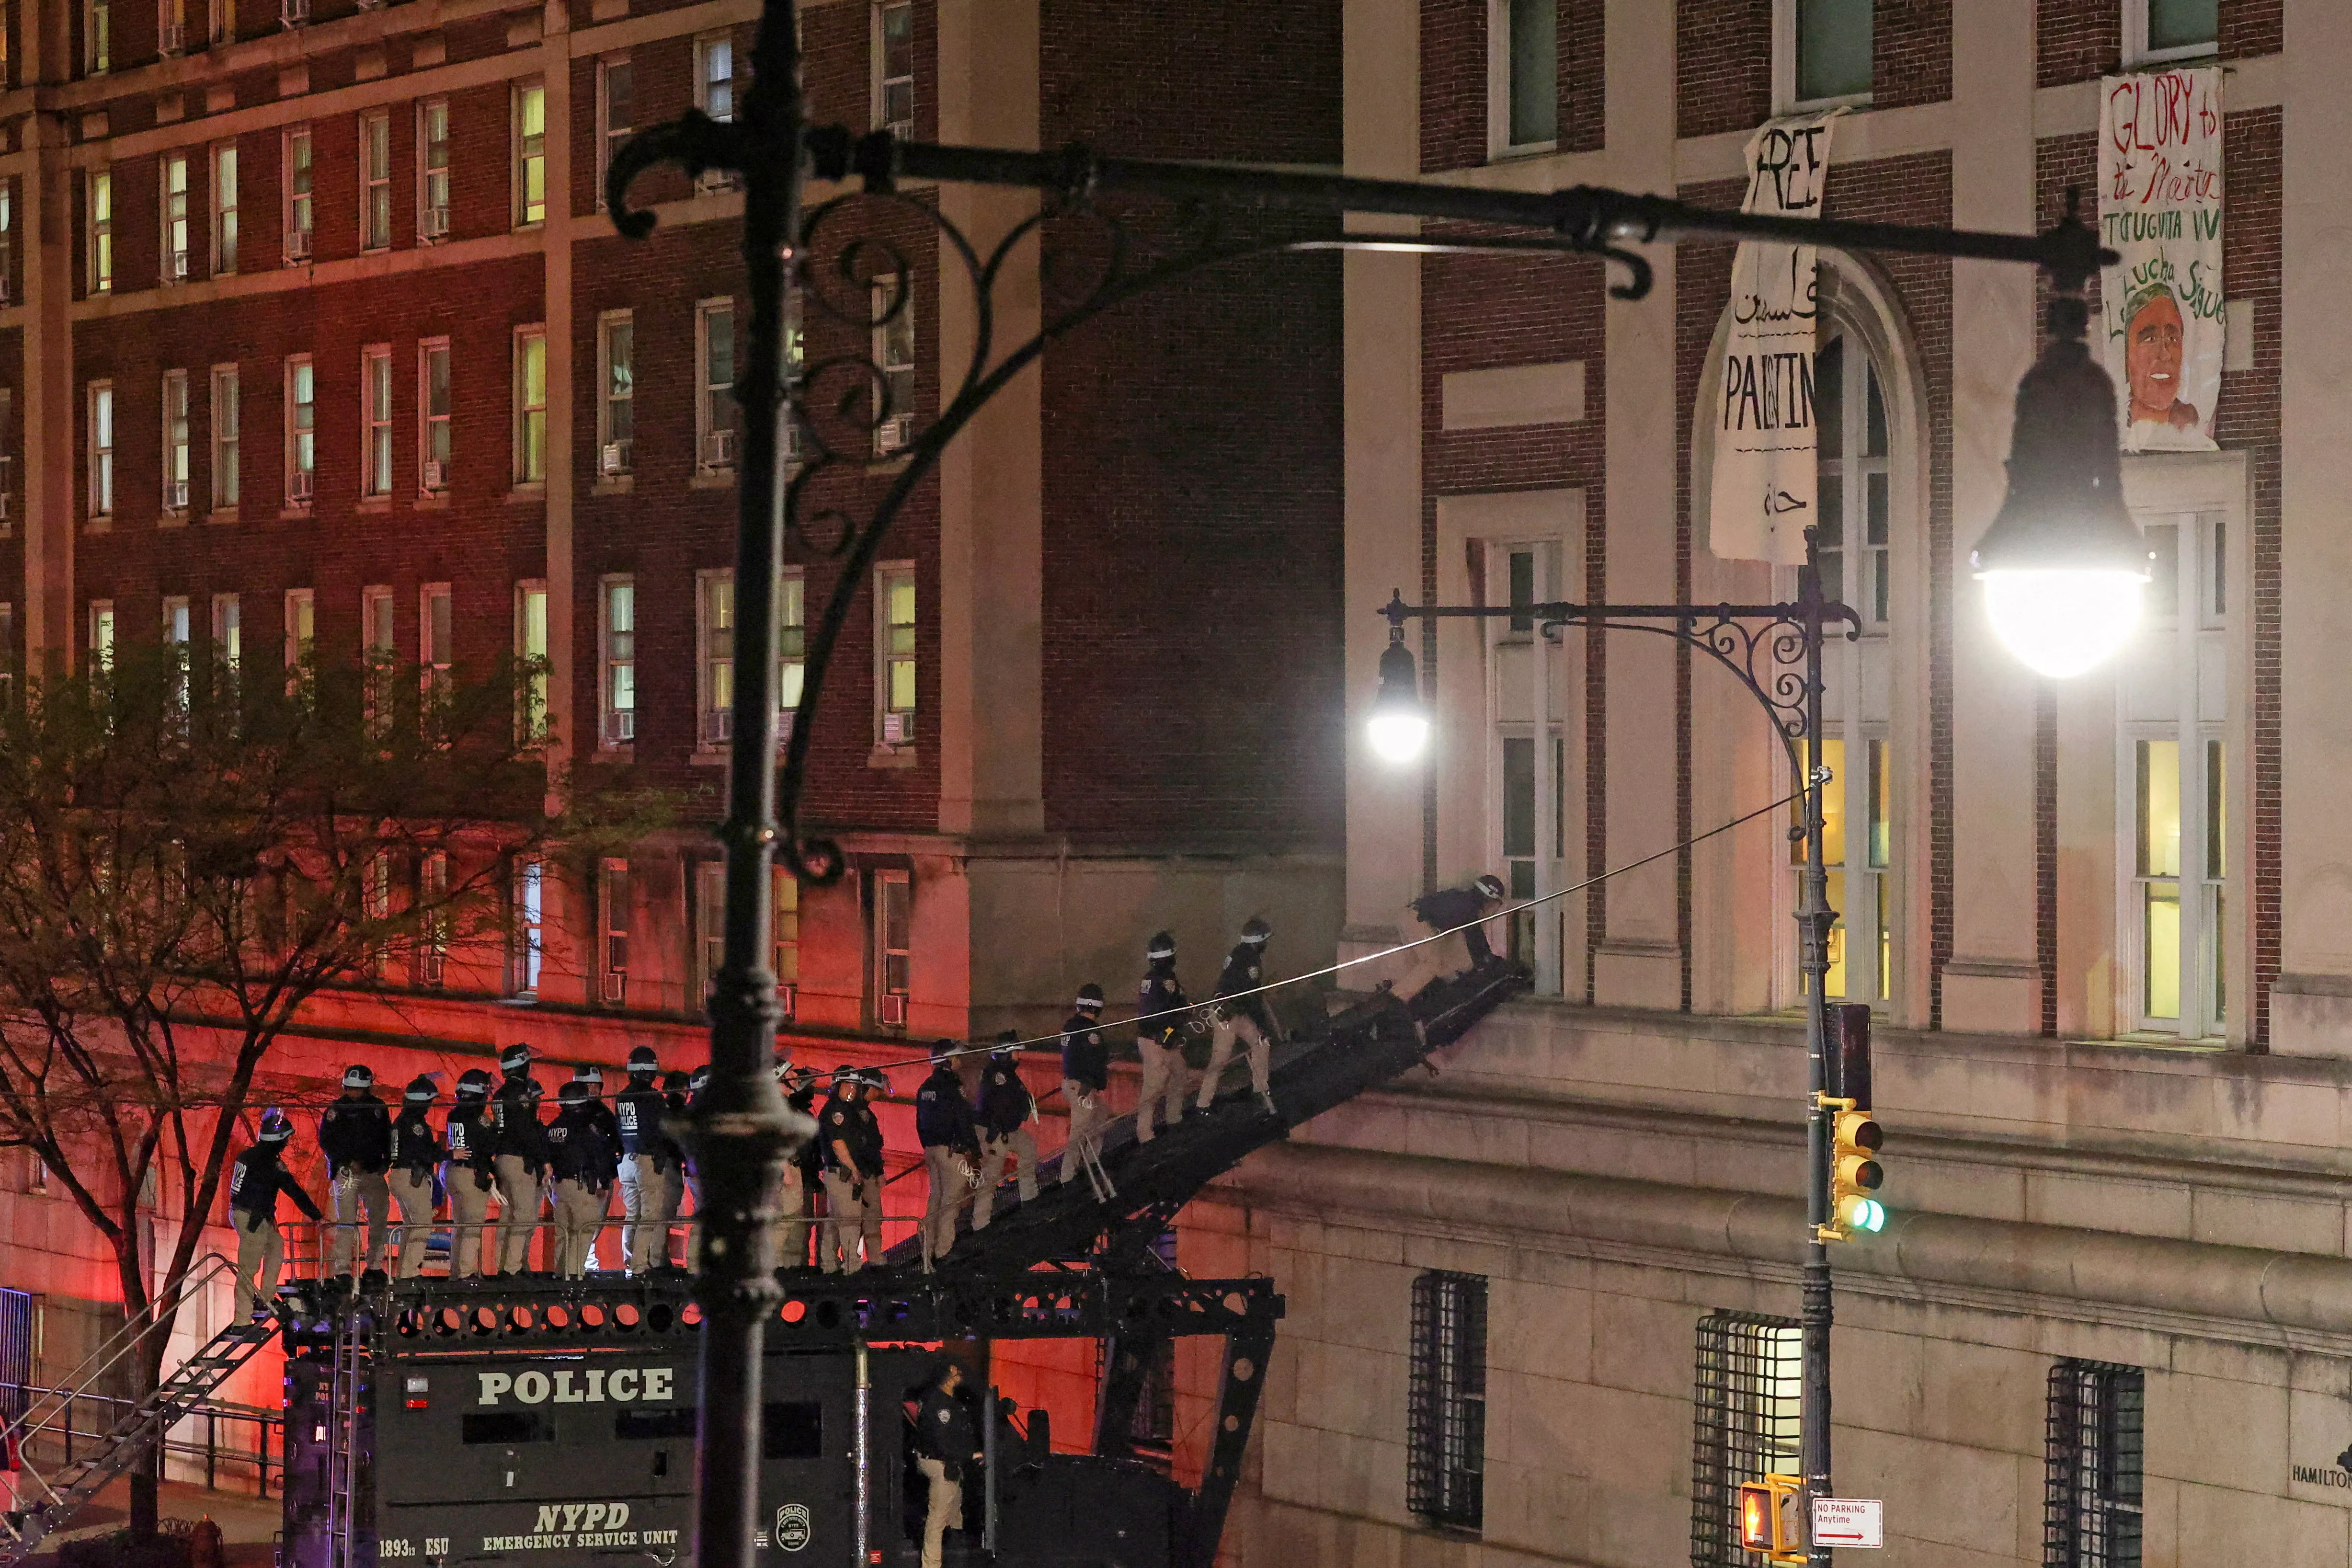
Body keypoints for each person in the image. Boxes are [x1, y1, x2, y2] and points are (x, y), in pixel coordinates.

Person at [228, 1110, 321, 1318]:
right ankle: (242, 1319)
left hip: (249, 1215)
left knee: (276, 1247)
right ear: (278, 1140)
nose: (287, 1143)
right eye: (286, 1139)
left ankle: (266, 1298)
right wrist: (318, 1217)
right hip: (253, 1218)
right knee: (248, 1269)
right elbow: (294, 1191)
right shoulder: (272, 1164)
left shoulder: (247, 1156)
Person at [317, 1064, 393, 1281]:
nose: (353, 1092)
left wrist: (385, 1163)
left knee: (379, 1219)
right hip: (346, 1173)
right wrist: (347, 1162)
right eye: (349, 1088)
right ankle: (342, 1270)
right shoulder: (337, 1109)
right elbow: (326, 1141)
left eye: (357, 1089)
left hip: (372, 1172)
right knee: (346, 1222)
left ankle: (375, 1266)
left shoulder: (379, 1108)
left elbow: (387, 1138)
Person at [1198, 917, 1280, 1116]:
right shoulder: (1251, 962)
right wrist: (1264, 1025)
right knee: (1220, 1059)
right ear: (1258, 942)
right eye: (1265, 941)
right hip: (1226, 1016)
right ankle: (1203, 1105)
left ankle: (1260, 1089)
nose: (1266, 945)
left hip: (1235, 1012)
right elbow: (1252, 997)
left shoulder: (1238, 954)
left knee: (1261, 1044)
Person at [1394, 873, 1507, 1003]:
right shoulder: (1470, 909)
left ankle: (1412, 1001)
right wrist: (1489, 965)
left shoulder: (1465, 902)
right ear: (1488, 899)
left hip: (1410, 916)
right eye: (1495, 905)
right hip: (1418, 921)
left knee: (1423, 966)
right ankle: (1396, 1000)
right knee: (1433, 964)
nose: (1494, 910)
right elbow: (1476, 941)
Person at [616, 1047, 678, 1276]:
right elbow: (661, 1129)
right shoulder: (653, 1098)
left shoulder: (623, 1096)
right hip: (646, 1161)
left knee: (633, 1214)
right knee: (650, 1214)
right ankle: (640, 1265)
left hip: (626, 1160)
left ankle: (630, 1261)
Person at [915, 1042, 980, 1265]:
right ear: (948, 1061)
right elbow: (963, 1118)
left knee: (935, 1199)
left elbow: (919, 1123)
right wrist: (974, 1148)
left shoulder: (925, 1087)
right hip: (952, 1151)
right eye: (957, 1057)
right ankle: (943, 1251)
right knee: (950, 1203)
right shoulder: (953, 1086)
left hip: (931, 1150)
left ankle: (927, 1250)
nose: (960, 1061)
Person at [547, 1080, 619, 1278]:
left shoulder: (553, 1127)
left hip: (558, 1187)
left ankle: (560, 1273)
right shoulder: (587, 1127)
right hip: (581, 1186)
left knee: (563, 1232)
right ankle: (573, 1275)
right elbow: (600, 1155)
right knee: (583, 1230)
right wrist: (604, 1182)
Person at [2120, 280, 2204, 448]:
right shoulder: (2110, 435)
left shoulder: (2201, 446)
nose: (2165, 355)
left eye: (2173, 339)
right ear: (2127, 354)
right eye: (2150, 339)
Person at [819, 1069, 888, 1273]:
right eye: (849, 1085)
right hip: (842, 1173)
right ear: (839, 1085)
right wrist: (853, 1169)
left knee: (838, 1220)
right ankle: (850, 1266)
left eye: (855, 1086)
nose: (853, 1090)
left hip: (850, 1172)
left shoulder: (849, 1110)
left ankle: (830, 1265)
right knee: (849, 1222)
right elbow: (839, 1144)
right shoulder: (836, 1111)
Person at [914, 1361, 982, 1568]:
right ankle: (931, 1565)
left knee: (954, 1516)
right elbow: (942, 1442)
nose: (958, 1375)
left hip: (952, 1463)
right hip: (939, 1462)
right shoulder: (939, 1403)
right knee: (937, 1519)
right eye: (954, 1373)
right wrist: (970, 1455)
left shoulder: (953, 1402)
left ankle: (955, 1554)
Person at [490, 1045, 549, 1275]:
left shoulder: (500, 1094)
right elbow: (527, 1132)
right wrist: (543, 1160)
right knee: (524, 1216)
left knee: (508, 1214)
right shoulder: (522, 1095)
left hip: (503, 1158)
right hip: (519, 1160)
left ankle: (503, 1265)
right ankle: (513, 1268)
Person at [972, 1031, 1036, 1229]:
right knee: (990, 1178)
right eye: (1016, 1052)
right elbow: (996, 1106)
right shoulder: (996, 1075)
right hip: (996, 1133)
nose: (1019, 1056)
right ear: (1006, 1053)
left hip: (1008, 1130)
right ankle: (981, 1225)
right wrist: (992, 1137)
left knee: (1028, 1148)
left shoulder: (1008, 1075)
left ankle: (1030, 1199)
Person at [1133, 936, 1192, 1142]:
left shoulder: (1152, 978)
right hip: (1158, 1040)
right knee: (1153, 1088)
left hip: (1163, 1038)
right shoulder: (1165, 980)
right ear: (1169, 955)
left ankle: (1174, 1118)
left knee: (1180, 1074)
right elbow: (1165, 1010)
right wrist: (1179, 1016)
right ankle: (1144, 1134)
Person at [1059, 985, 1113, 1201]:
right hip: (1083, 1087)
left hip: (1076, 1085)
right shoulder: (1090, 1030)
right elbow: (1092, 1058)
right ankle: (1067, 1177)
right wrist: (1094, 1078)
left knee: (1102, 1119)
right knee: (1079, 1131)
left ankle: (1091, 1160)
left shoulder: (1071, 1025)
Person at [386, 1076, 442, 1279]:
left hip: (400, 1175)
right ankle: (409, 1272)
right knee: (422, 1225)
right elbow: (423, 1152)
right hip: (412, 1176)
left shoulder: (401, 1121)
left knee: (411, 1227)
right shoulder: (414, 1124)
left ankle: (404, 1272)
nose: (430, 1107)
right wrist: (445, 1154)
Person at [444, 1069, 498, 1277]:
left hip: (453, 1172)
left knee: (459, 1225)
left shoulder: (454, 1114)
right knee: (473, 1225)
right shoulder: (479, 1118)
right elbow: (491, 1143)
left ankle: (456, 1271)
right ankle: (466, 1273)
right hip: (470, 1173)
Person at [782, 1065, 826, 1268]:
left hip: (806, 1177)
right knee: (791, 1228)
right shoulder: (790, 1113)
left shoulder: (803, 1113)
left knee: (802, 1229)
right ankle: (790, 1268)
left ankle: (799, 1266)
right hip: (796, 1176)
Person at [664, 1069, 696, 1266]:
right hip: (673, 1166)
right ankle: (657, 1261)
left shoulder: (662, 1109)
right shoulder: (680, 1112)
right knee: (663, 1216)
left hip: (673, 1166)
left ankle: (656, 1260)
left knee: (658, 1217)